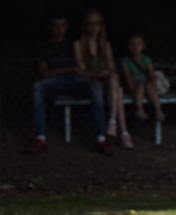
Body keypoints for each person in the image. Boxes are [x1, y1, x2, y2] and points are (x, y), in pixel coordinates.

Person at [29, 12, 113, 155]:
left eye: (62, 26)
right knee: (37, 86)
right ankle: (40, 138)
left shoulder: (74, 44)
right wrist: (71, 69)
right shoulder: (43, 47)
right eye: (55, 26)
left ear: (67, 27)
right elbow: (43, 72)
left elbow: (84, 65)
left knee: (96, 86)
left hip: (77, 81)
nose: (59, 29)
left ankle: (101, 138)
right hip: (55, 82)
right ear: (49, 27)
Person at [74, 9, 134, 149]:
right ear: (84, 25)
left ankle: (113, 121)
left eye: (96, 24)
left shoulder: (105, 45)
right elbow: (82, 70)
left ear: (101, 26)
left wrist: (106, 72)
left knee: (115, 82)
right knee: (118, 91)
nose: (93, 27)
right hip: (91, 83)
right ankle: (123, 132)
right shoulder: (78, 44)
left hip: (106, 82)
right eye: (89, 24)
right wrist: (99, 73)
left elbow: (111, 67)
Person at [121, 34, 165, 122]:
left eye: (138, 45)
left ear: (143, 46)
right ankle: (139, 109)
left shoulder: (146, 59)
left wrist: (153, 86)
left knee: (148, 86)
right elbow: (127, 77)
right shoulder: (126, 61)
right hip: (135, 85)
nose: (135, 47)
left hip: (146, 84)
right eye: (132, 45)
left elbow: (152, 76)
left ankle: (158, 110)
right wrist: (133, 89)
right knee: (140, 86)